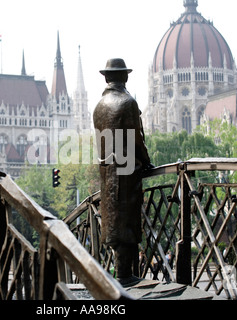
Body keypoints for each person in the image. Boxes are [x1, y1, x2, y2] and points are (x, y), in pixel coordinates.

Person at [93, 58, 154, 287]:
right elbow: (136, 138)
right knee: (127, 219)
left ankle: (121, 274)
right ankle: (125, 276)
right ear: (125, 77)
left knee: (113, 218)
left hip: (106, 172)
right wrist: (146, 161)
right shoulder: (127, 102)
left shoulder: (99, 106)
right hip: (127, 170)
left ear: (107, 78)